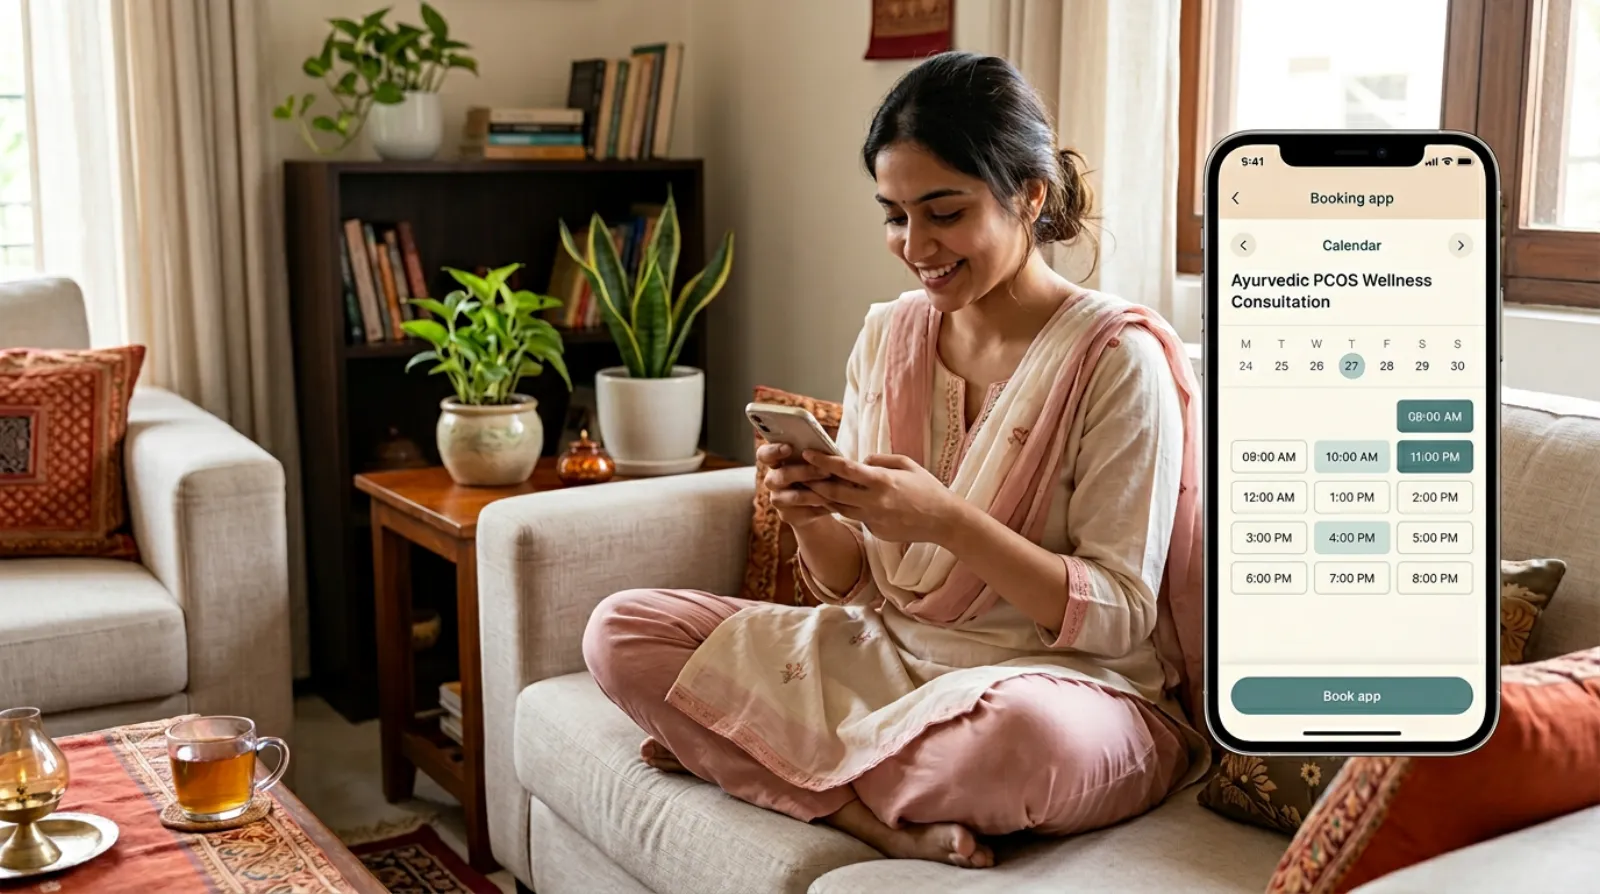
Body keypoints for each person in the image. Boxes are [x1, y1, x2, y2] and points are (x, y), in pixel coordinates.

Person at [582, 50, 1210, 870]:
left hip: (1064, 688)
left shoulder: (1116, 358)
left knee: (1021, 746)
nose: (915, 245)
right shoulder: (890, 334)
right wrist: (809, 512)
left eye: (943, 212)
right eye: (894, 214)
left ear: (1030, 194)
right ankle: (866, 819)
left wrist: (947, 523)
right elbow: (856, 587)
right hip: (887, 658)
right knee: (622, 629)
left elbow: (1121, 612)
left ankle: (749, 754)